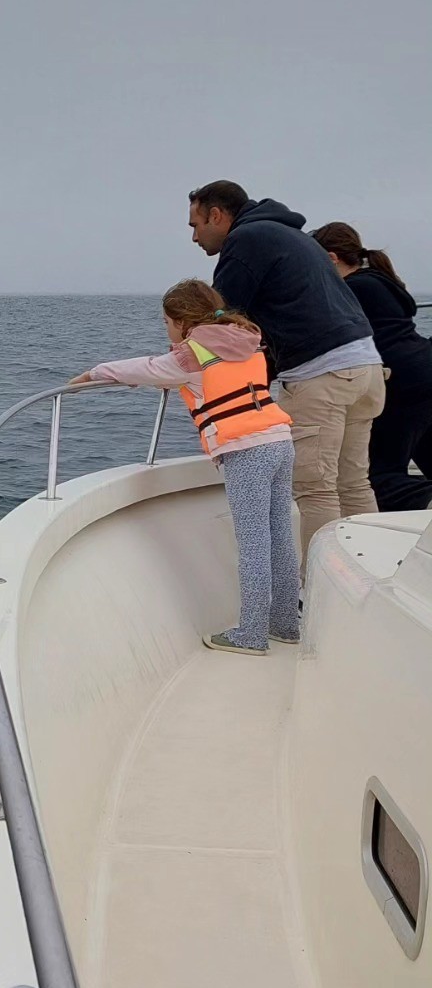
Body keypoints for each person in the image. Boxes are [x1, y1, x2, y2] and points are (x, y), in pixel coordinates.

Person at [70, 279, 299, 655]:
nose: (166, 330)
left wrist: (94, 373)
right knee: (280, 538)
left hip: (246, 450)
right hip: (278, 439)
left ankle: (252, 634)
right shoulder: (243, 339)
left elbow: (147, 368)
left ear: (181, 320)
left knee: (254, 543)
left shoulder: (194, 353)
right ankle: (286, 624)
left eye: (165, 322)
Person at [186, 180, 385, 561]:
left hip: (322, 374)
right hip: (366, 367)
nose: (195, 237)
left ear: (216, 215)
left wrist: (178, 360)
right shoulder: (287, 234)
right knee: (354, 483)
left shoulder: (246, 241)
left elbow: (221, 321)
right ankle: (369, 574)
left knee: (316, 489)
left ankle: (319, 593)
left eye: (196, 225)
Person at [310, 221, 432, 510]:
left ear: (331, 259)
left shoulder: (351, 291)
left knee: (380, 477)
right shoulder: (381, 281)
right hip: (423, 370)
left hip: (399, 382)